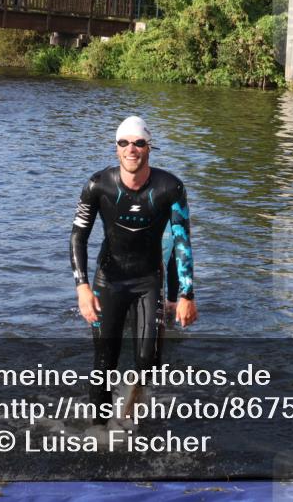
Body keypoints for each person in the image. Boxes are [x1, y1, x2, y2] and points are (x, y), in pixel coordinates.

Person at [69, 116, 197, 426]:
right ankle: (99, 431)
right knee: (104, 363)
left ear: (149, 147)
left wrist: (186, 294)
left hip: (147, 280)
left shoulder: (170, 187)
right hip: (108, 280)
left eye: (139, 143)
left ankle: (130, 404)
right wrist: (82, 287)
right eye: (124, 143)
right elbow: (78, 236)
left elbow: (181, 240)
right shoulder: (98, 185)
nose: (131, 149)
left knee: (148, 361)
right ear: (116, 148)